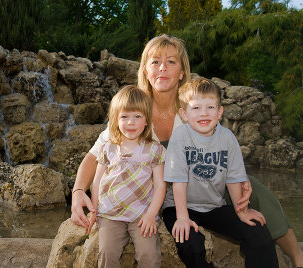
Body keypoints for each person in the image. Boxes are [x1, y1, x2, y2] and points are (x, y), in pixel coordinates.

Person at [71, 34, 303, 267]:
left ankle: (296, 256)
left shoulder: (195, 107)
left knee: (254, 188)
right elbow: (96, 156)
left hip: (202, 185)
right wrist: (79, 190)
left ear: (182, 71)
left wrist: (238, 177)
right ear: (145, 70)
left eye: (171, 61)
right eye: (155, 62)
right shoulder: (133, 110)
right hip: (151, 194)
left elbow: (220, 149)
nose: (163, 68)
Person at [163, 77, 278, 268]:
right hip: (179, 206)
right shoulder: (181, 136)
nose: (204, 114)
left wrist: (242, 212)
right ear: (184, 114)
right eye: (196, 108)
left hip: (214, 206)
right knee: (191, 244)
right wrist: (182, 217)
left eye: (210, 107)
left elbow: (233, 178)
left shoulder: (227, 138)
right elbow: (179, 181)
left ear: (220, 112)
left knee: (257, 232)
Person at [88, 85, 166, 267]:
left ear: (147, 120)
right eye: (124, 117)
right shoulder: (107, 148)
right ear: (115, 119)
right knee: (107, 253)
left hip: (141, 214)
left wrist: (151, 214)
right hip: (110, 213)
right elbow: (97, 181)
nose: (131, 122)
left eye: (137, 116)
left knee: (149, 254)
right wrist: (94, 211)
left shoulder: (154, 150)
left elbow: (160, 185)